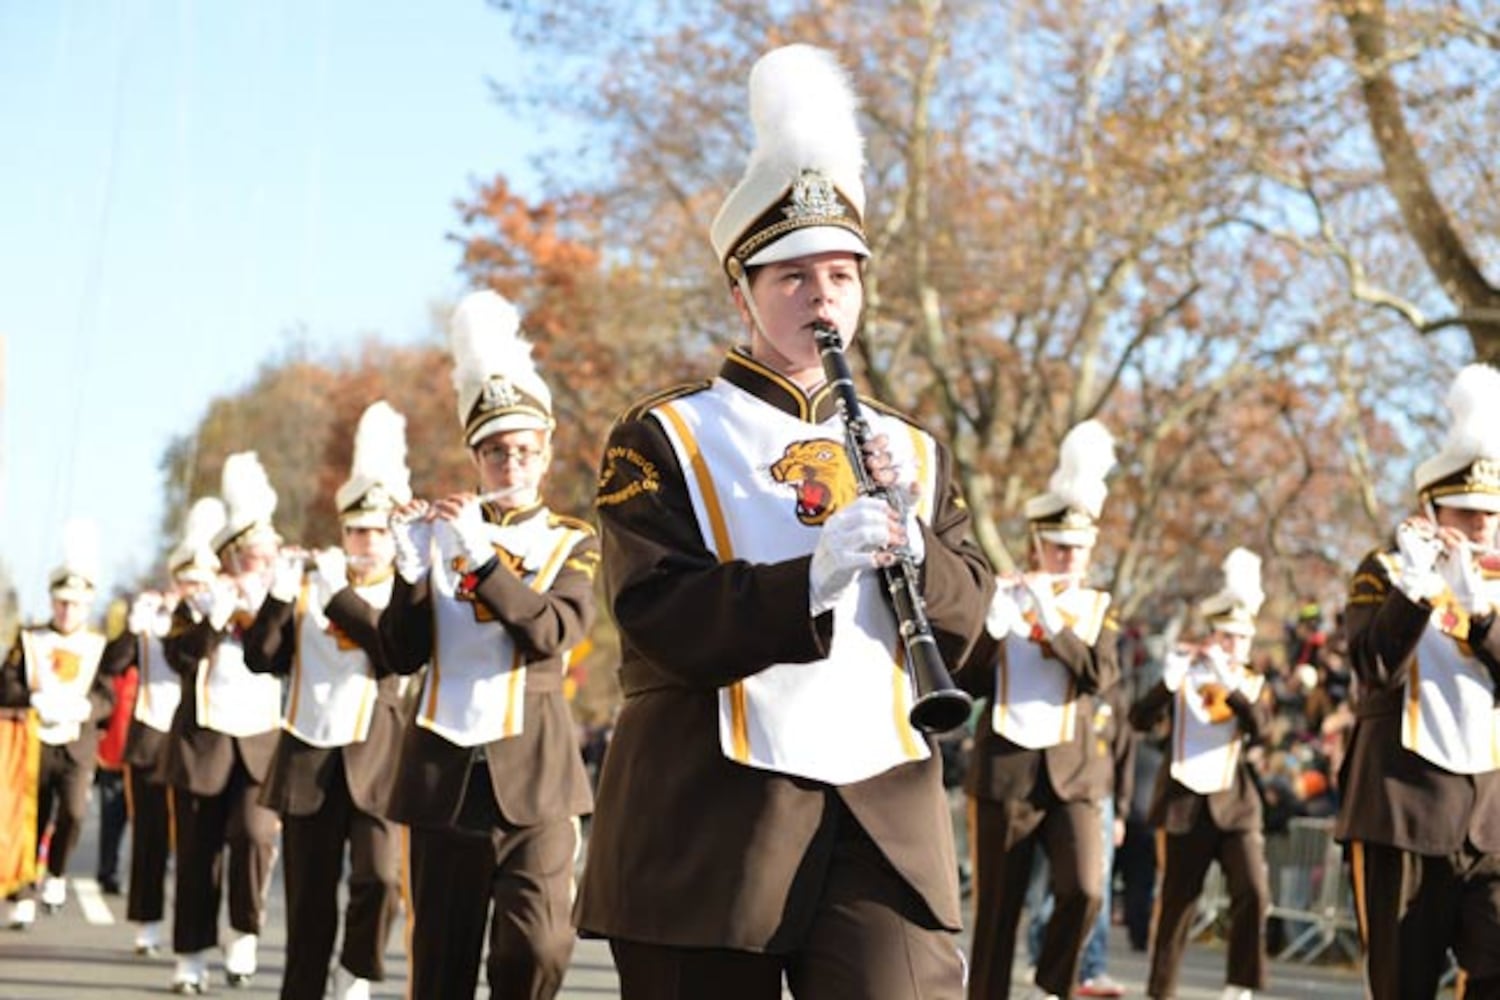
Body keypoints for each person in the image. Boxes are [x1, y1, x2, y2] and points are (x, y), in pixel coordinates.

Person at [574, 44, 993, 1000]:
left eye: (841, 276)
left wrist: (915, 544)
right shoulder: (663, 433)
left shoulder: (913, 451)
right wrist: (811, 576)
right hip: (711, 811)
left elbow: (974, 623)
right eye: (793, 277)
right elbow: (653, 614)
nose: (821, 298)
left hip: (881, 808)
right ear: (742, 293)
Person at [381, 290, 598, 999]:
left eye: (525, 451)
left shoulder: (573, 540)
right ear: (476, 456)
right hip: (444, 770)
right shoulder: (443, 529)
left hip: (535, 773)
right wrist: (410, 573)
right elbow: (400, 653)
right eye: (497, 451)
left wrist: (479, 563)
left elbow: (551, 631)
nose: (512, 464)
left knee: (540, 946)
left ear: (545, 454)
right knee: (440, 964)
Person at [1336, 363, 1500, 999]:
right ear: (1432, 508)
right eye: (1466, 511)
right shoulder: (1382, 570)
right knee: (1403, 985)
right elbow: (1372, 668)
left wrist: (1482, 616)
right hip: (1402, 809)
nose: (1482, 526)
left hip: (1490, 819)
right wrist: (1417, 590)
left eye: (1491, 511)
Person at [243, 401, 411, 1000]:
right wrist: (278, 596)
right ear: (340, 532)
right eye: (355, 530)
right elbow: (261, 658)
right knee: (309, 901)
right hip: (310, 756)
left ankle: (357, 966)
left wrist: (339, 595)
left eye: (375, 530)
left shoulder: (403, 585)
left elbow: (394, 653)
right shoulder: (309, 585)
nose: (365, 541)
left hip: (377, 757)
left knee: (379, 879)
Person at [962, 420, 1122, 1000]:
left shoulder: (1099, 606)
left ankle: (1054, 985)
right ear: (1037, 544)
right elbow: (967, 680)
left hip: (1073, 773)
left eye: (1078, 550)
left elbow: (1101, 675)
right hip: (1006, 767)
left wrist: (1054, 625)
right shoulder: (1004, 593)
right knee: (997, 913)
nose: (1067, 560)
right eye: (1058, 548)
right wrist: (992, 626)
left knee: (1085, 889)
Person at [161, 455, 285, 994]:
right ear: (232, 558)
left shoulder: (283, 600)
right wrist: (212, 617)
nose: (260, 564)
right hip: (204, 742)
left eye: (267, 555)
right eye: (252, 556)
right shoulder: (201, 599)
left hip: (261, 738)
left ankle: (243, 931)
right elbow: (178, 658)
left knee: (255, 836)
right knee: (197, 854)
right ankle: (190, 954)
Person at [1129, 548, 1272, 1000]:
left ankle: (1240, 985)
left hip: (1235, 804)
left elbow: (1263, 730)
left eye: (1242, 639)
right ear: (1212, 636)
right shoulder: (1183, 675)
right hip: (1184, 804)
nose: (1234, 647)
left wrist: (1231, 688)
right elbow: (1137, 719)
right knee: (1177, 905)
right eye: (1226, 637)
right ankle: (1161, 990)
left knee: (1254, 891)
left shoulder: (1250, 684)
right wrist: (1169, 682)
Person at [0, 520, 131, 929]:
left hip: (76, 744)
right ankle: (23, 892)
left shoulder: (96, 646)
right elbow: (6, 684)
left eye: (74, 604)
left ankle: (56, 872)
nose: (66, 610)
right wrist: (31, 698)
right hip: (35, 742)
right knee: (29, 819)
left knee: (73, 812)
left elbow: (108, 694)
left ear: (86, 605)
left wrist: (83, 708)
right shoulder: (30, 639)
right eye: (61, 602)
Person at [121, 502, 217, 958]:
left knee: (196, 841)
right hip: (151, 733)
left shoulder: (213, 615)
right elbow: (114, 665)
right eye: (187, 580)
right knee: (151, 835)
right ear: (176, 579)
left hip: (194, 738)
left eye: (200, 580)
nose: (193, 588)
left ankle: (197, 931)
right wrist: (131, 630)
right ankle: (147, 921)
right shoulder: (157, 614)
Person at [1022, 679, 1135, 998]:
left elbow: (1125, 752)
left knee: (1092, 887)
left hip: (1099, 796)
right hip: (1058, 791)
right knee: (1046, 885)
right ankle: (1039, 954)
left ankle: (1091, 967)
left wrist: (1121, 812)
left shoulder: (1114, 693)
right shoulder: (1062, 678)